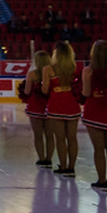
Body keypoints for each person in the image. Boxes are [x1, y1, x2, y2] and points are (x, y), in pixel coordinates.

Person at [81, 40, 107, 191]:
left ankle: (102, 179)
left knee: (98, 148)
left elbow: (85, 93)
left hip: (94, 111)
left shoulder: (88, 71)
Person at [42, 41, 81, 176]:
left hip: (56, 105)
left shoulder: (48, 69)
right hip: (72, 105)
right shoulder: (74, 68)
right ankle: (71, 167)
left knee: (60, 138)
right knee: (72, 138)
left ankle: (63, 165)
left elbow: (45, 89)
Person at [23, 51, 53, 168]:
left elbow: (26, 91)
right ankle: (49, 158)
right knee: (50, 135)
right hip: (49, 105)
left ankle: (41, 158)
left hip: (35, 106)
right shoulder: (51, 72)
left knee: (38, 135)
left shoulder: (32, 74)